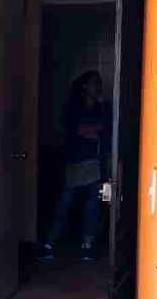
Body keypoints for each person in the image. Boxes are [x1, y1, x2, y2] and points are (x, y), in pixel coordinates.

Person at [38, 70, 110, 262]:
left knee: (92, 205)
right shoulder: (74, 106)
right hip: (76, 161)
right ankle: (49, 243)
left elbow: (105, 129)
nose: (97, 87)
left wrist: (94, 128)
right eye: (94, 83)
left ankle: (87, 245)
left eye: (99, 83)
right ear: (84, 86)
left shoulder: (101, 108)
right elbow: (76, 129)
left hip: (95, 162)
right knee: (65, 203)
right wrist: (92, 130)